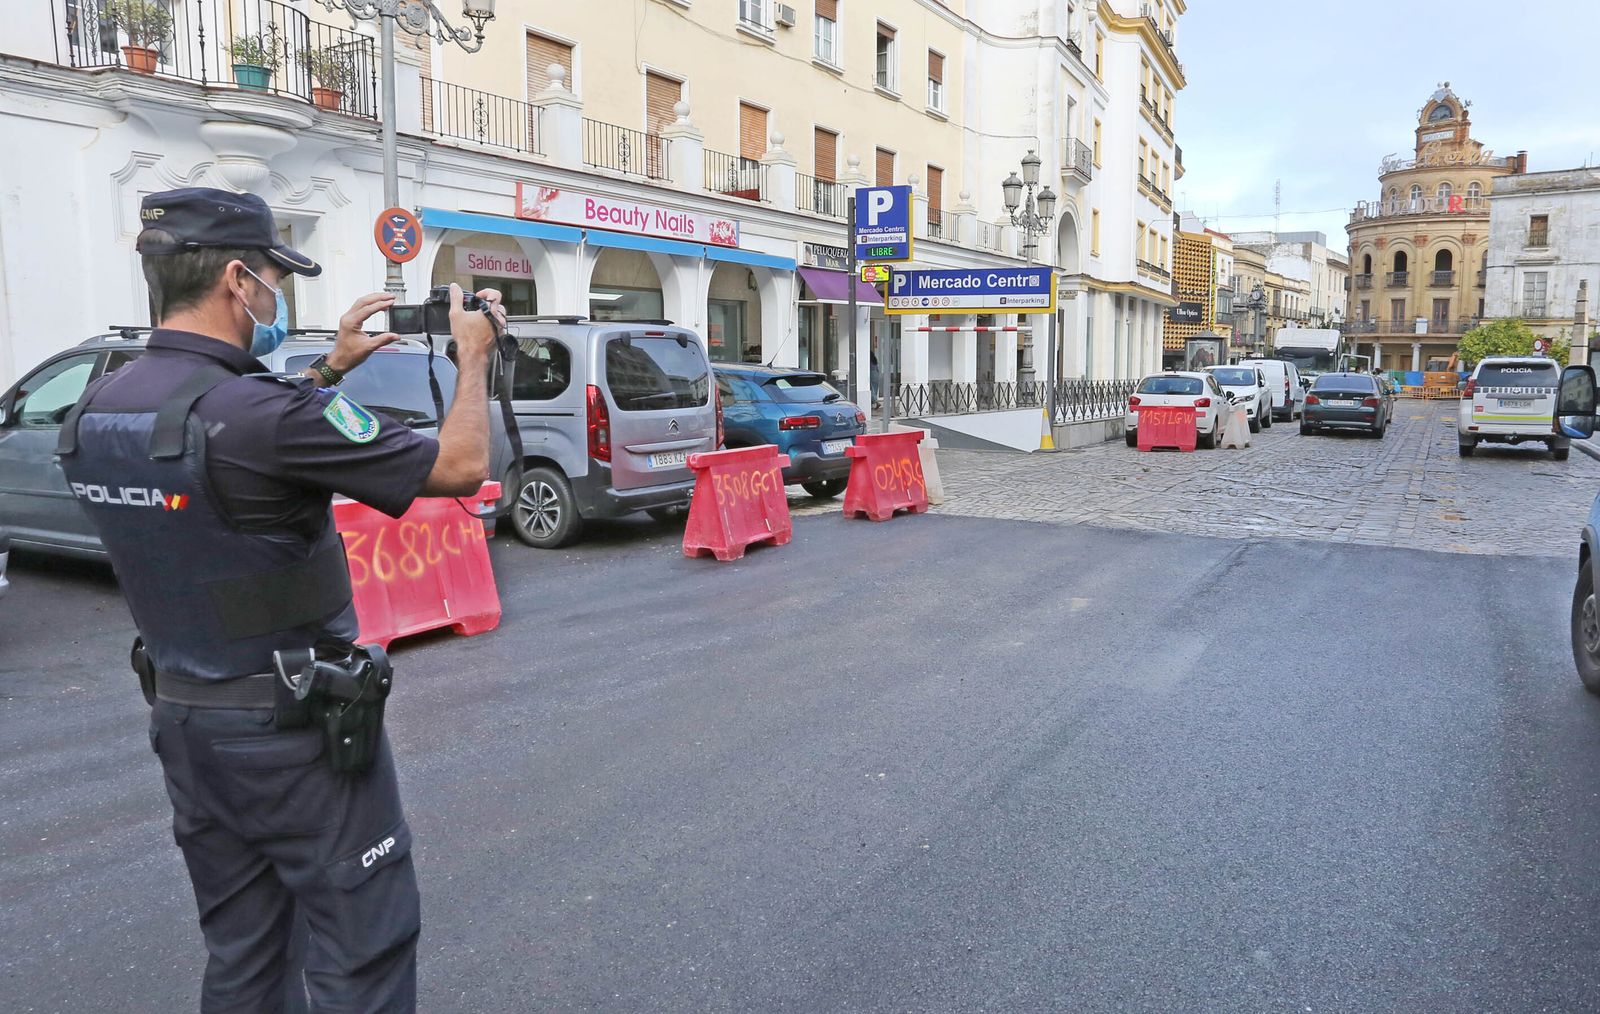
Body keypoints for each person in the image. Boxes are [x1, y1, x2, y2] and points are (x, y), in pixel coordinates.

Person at [57, 187, 503, 1012]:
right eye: (271, 275)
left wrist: (330, 369)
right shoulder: (264, 414)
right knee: (361, 948)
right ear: (237, 279)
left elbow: (228, 450)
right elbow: (459, 467)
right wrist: (474, 355)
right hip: (297, 735)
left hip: (189, 725)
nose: (274, 294)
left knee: (245, 953)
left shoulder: (96, 409)